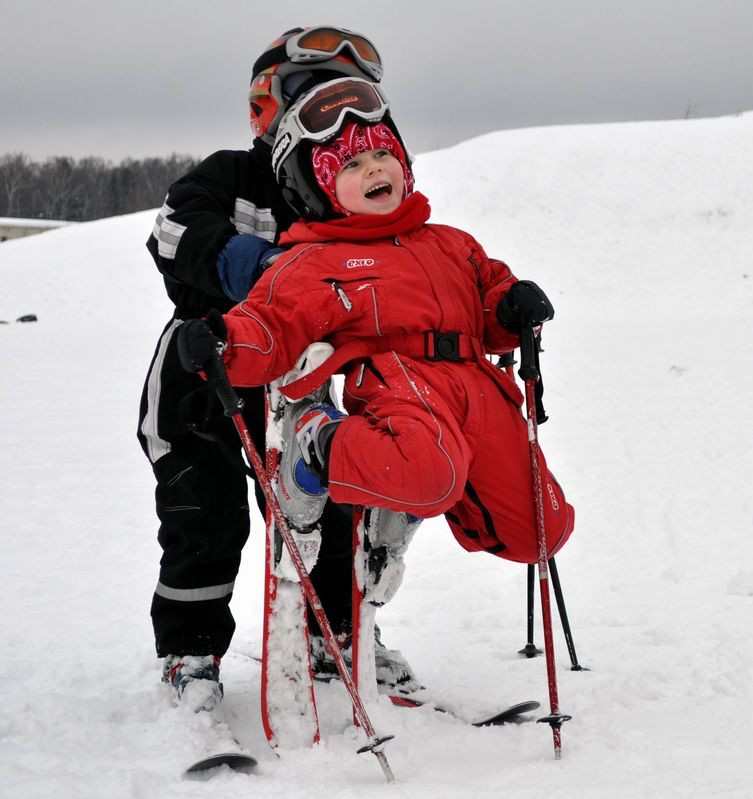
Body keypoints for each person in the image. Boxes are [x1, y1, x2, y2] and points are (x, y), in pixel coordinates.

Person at [177, 79, 575, 644]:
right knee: (427, 474)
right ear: (319, 186)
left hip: (480, 389)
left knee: (542, 528)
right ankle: (316, 445)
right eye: (353, 163)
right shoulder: (314, 261)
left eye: (383, 153)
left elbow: (488, 301)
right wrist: (225, 341)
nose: (374, 168)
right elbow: (272, 325)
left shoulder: (450, 242)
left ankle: (399, 503)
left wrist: (510, 305)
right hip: (402, 384)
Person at [138, 27, 418, 713]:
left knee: (332, 503)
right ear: (273, 102)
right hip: (206, 366)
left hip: (310, 375)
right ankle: (191, 651)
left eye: (355, 101)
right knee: (201, 510)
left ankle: (336, 637)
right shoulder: (232, 174)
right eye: (317, 97)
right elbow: (172, 233)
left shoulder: (346, 185)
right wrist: (262, 268)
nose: (339, 119)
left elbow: (406, 265)